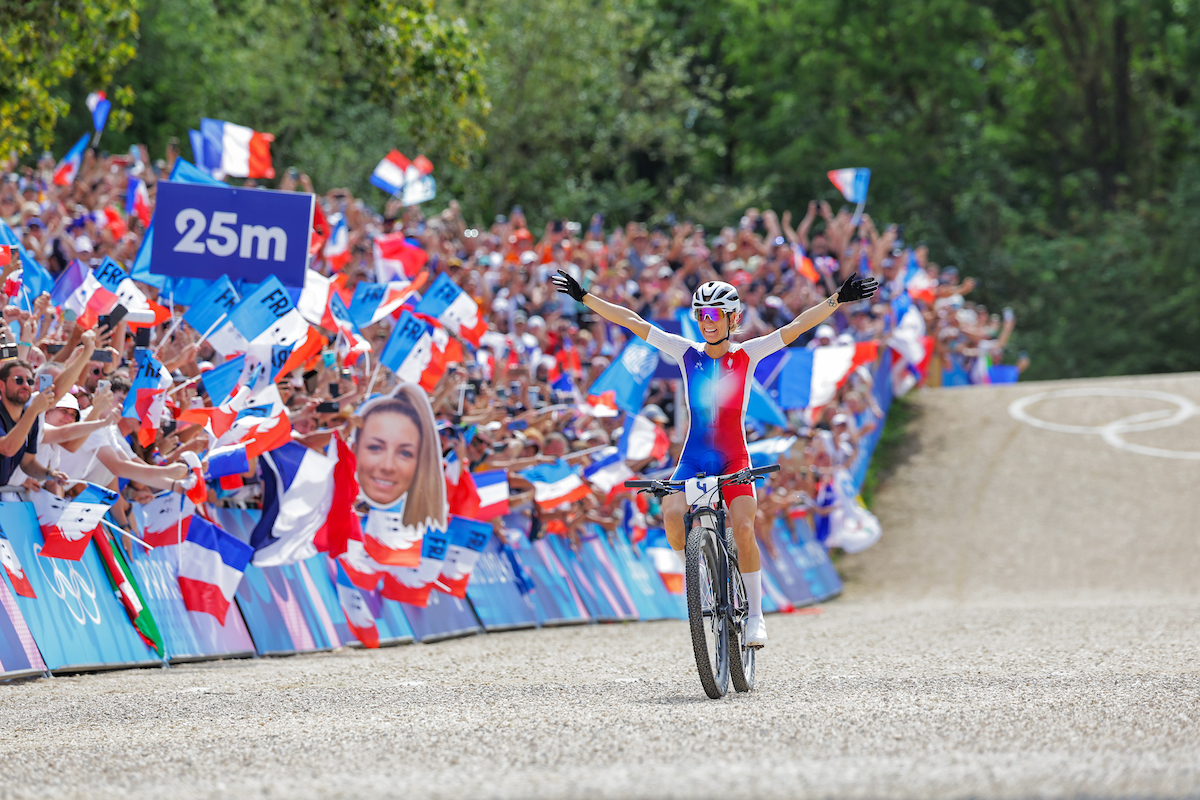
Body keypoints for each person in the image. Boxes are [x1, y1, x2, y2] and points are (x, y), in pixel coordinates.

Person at [552, 269, 877, 647]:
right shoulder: (685, 353)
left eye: (714, 315)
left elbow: (797, 326)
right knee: (672, 515)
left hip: (734, 457)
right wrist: (586, 297)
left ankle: (755, 616)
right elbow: (633, 321)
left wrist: (836, 299)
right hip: (693, 456)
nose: (707, 323)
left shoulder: (748, 354)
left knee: (742, 529)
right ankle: (697, 575)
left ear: (732, 319)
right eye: (701, 316)